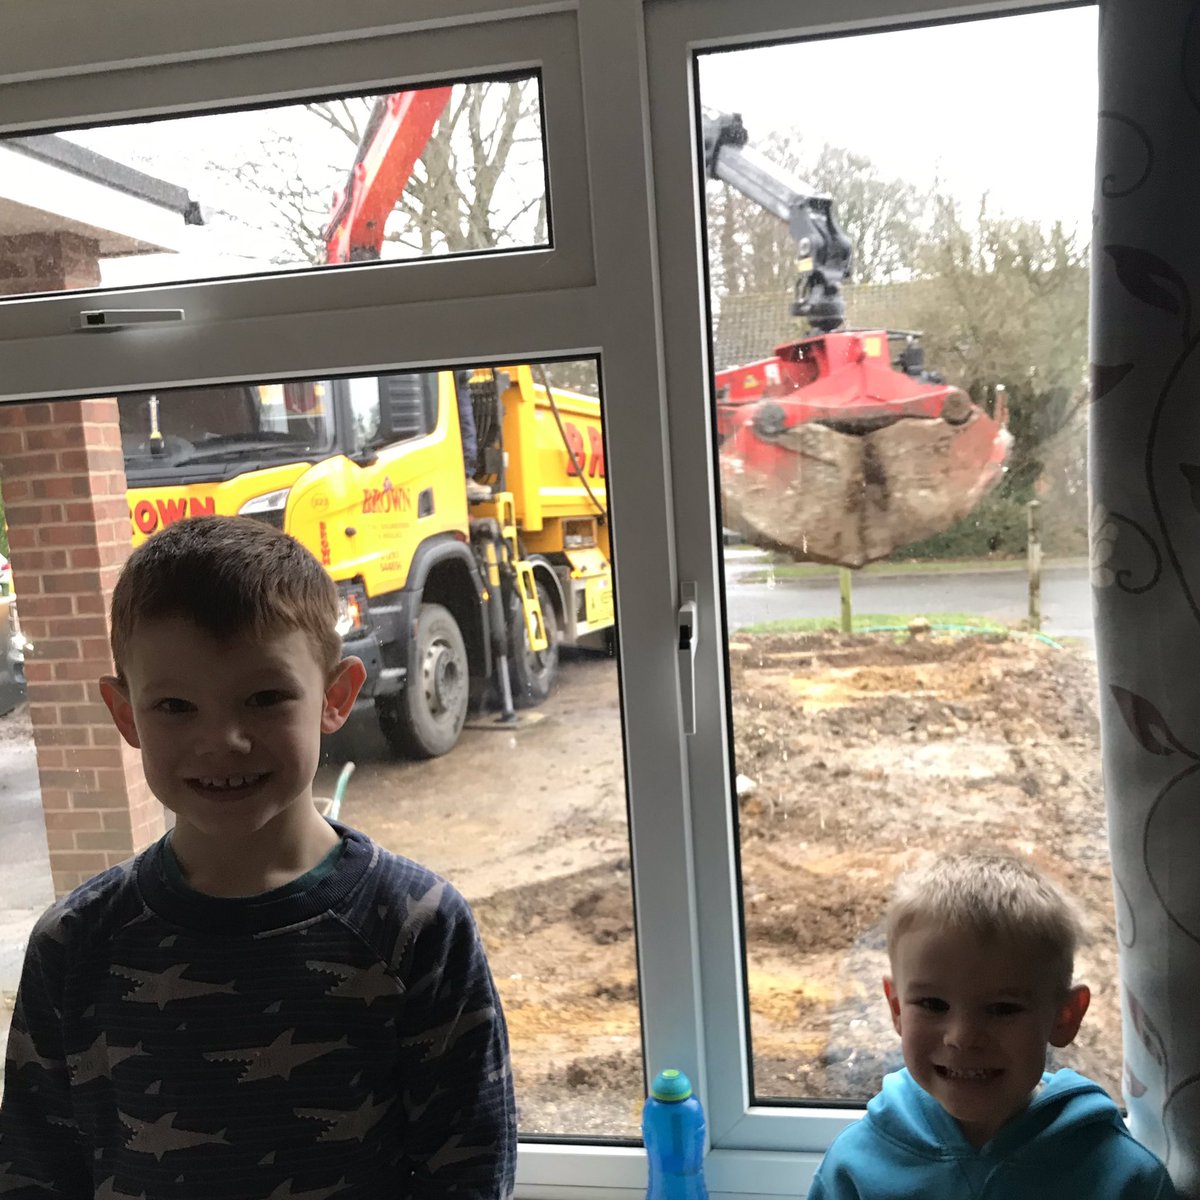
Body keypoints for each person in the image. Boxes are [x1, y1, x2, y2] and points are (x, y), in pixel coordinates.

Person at [0, 515, 516, 1199]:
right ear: (126, 715)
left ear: (335, 698)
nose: (223, 741)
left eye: (265, 697)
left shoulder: (418, 928)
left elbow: (470, 1175)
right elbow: (34, 1173)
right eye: (176, 706)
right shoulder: (73, 945)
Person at [807, 850, 1177, 1199]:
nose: (963, 1037)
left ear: (1065, 1016)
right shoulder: (854, 1168)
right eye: (933, 1004)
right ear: (897, 1008)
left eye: (1002, 1009)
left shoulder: (1124, 1178)